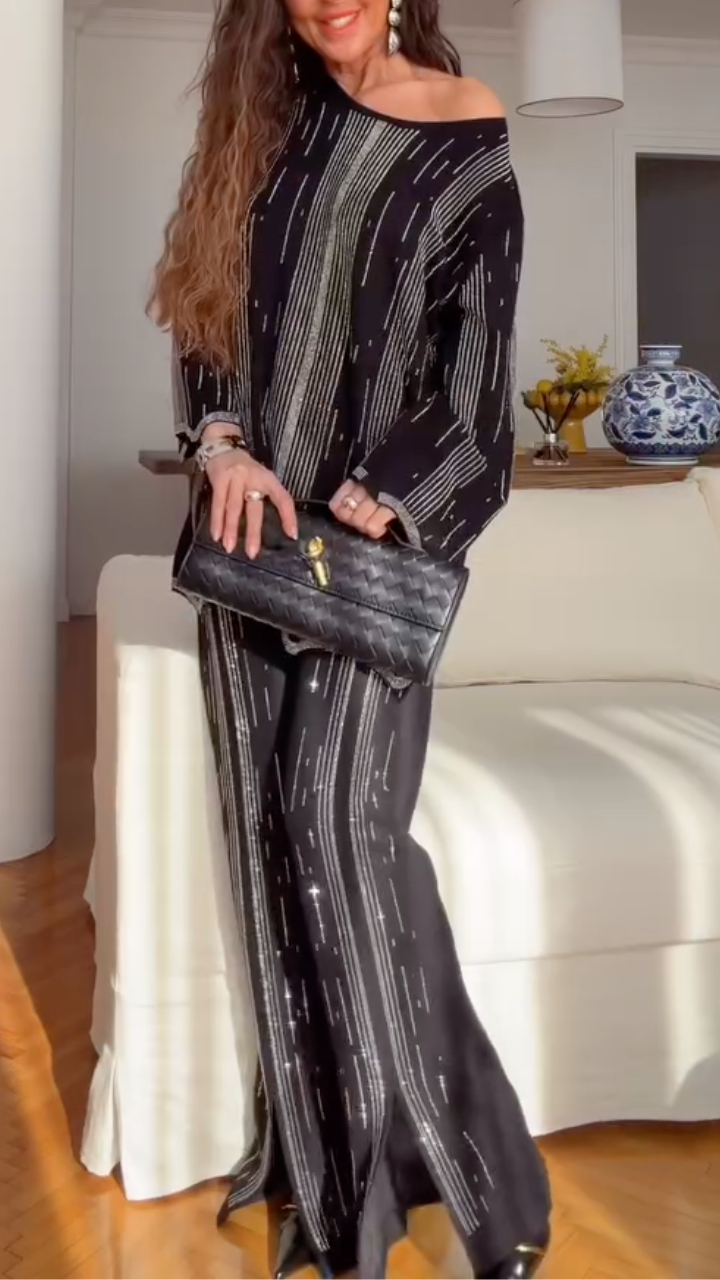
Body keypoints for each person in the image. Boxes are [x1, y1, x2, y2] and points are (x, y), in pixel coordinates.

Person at [150, 1, 551, 1276]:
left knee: (336, 826)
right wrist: (222, 444)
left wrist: (395, 486)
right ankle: (329, 1191)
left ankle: (480, 1184)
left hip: (375, 548)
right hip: (250, 537)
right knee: (272, 846)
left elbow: (476, 378)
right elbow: (206, 319)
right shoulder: (254, 123)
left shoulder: (465, 132)